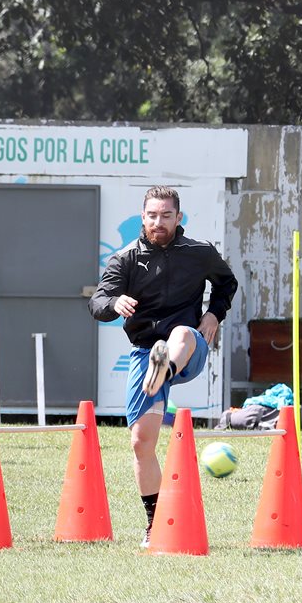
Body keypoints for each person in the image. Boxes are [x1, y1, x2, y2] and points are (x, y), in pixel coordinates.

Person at [88, 185, 237, 547]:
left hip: (188, 350)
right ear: (143, 217)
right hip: (145, 352)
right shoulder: (126, 259)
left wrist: (214, 315)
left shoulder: (199, 253)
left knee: (182, 335)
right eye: (152, 215)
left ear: (178, 218)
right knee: (141, 442)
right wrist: (115, 302)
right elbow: (98, 301)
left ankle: (164, 371)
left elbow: (226, 283)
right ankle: (155, 523)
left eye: (166, 215)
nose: (158, 222)